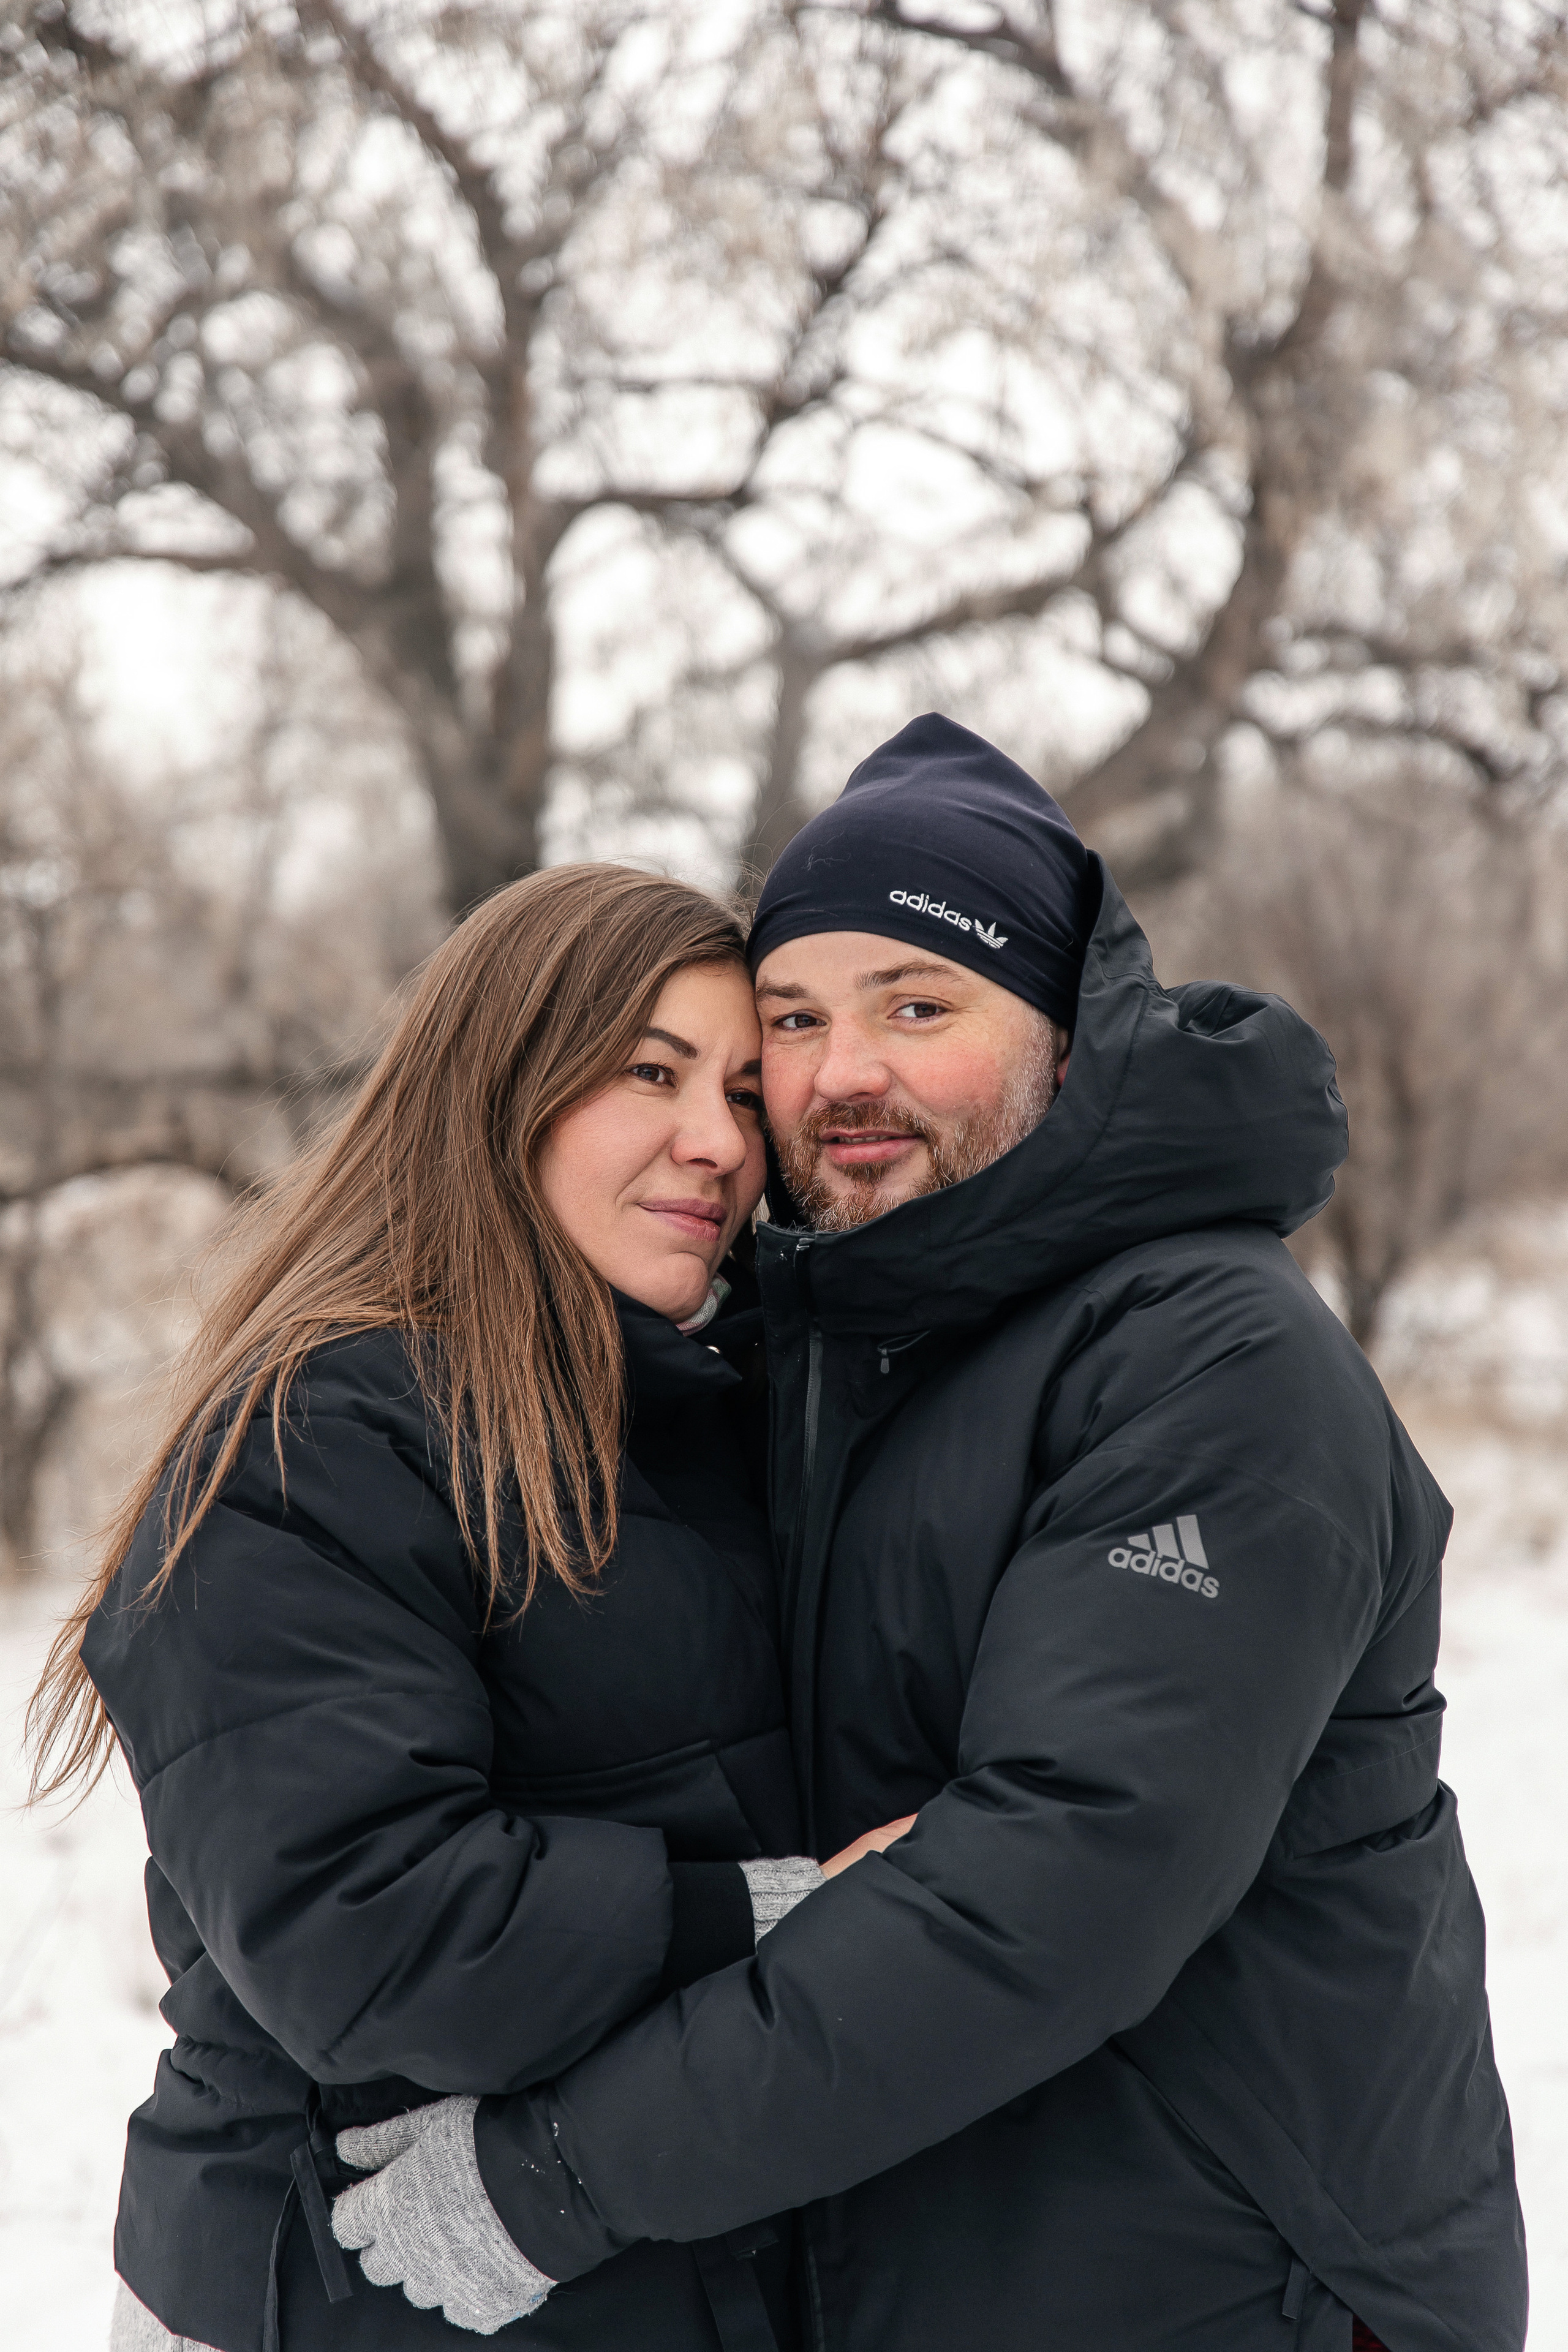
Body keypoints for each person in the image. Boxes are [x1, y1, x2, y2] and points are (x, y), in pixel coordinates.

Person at [337, 717, 1528, 2352]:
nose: (843, 1075)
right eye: (795, 1023)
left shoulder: (1211, 1363)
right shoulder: (821, 1347)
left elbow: (1051, 1889)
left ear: (1058, 1027)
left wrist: (564, 2177)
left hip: (1245, 2279)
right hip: (959, 2253)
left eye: (919, 1005)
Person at [31, 864, 867, 2352]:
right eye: (649, 1073)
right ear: (502, 1087)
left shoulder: (698, 1415)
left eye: (746, 1092)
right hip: (331, 2283)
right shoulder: (318, 1439)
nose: (717, 1143)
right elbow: (369, 1934)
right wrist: (794, 1915)